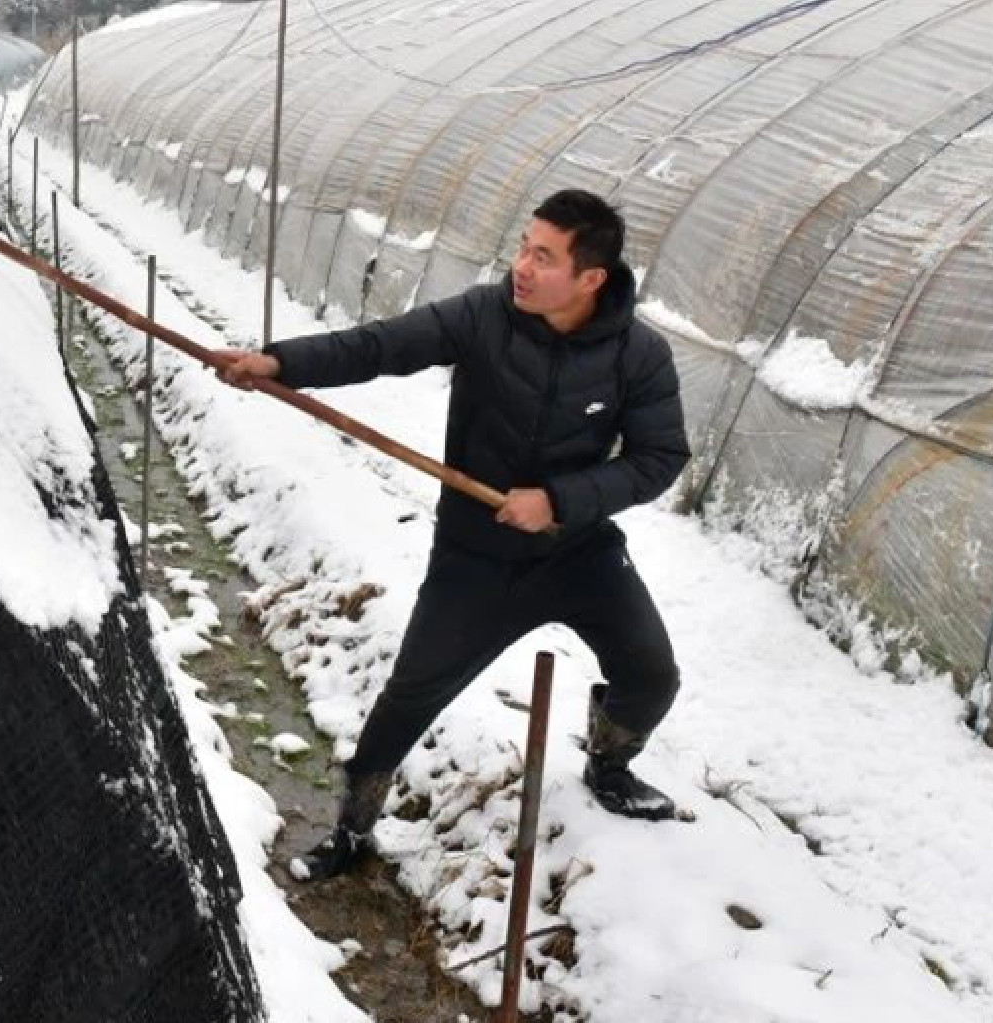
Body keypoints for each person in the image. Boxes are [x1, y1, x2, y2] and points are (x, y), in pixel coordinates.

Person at [215, 189, 692, 882]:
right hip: (476, 558)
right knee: (409, 696)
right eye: (524, 247)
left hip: (577, 551)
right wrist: (279, 364)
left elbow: (660, 459)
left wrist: (559, 500)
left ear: (591, 279)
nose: (522, 267)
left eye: (544, 256)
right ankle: (353, 828)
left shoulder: (639, 355)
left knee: (652, 674)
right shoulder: (483, 316)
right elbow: (379, 346)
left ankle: (609, 764)